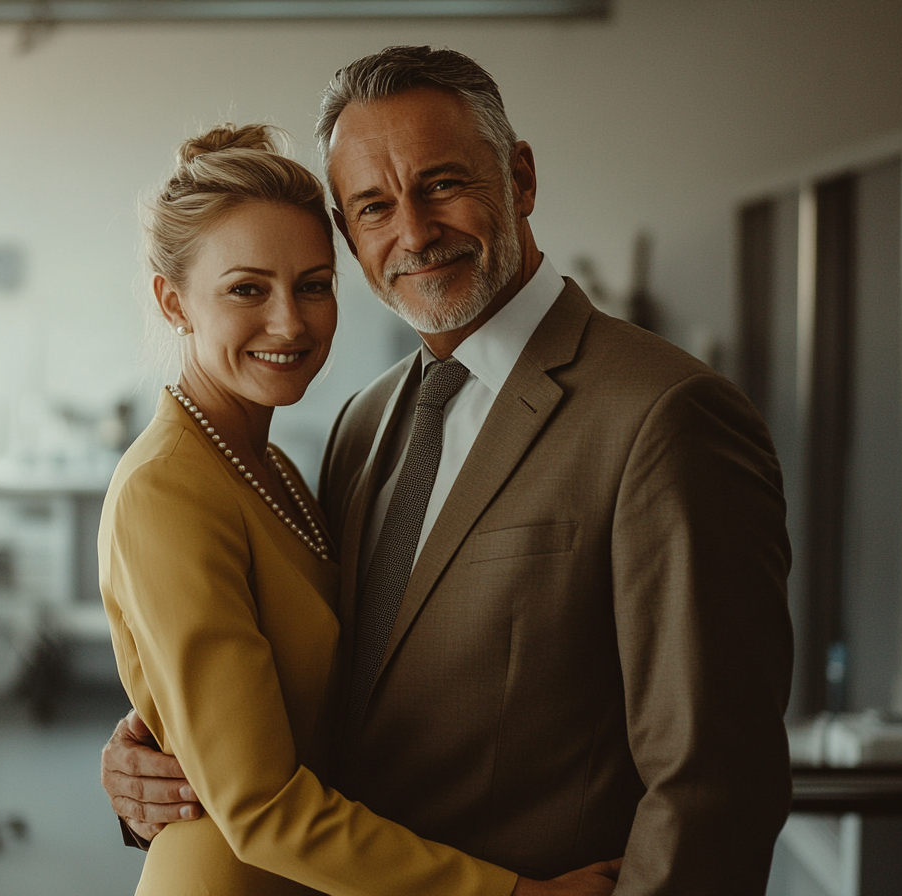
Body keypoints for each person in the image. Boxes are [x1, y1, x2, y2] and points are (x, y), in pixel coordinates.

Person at [103, 46, 794, 895]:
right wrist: (161, 755)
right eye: (372, 205)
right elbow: (324, 703)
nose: (415, 233)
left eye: (441, 185)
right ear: (351, 234)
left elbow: (714, 778)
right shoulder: (364, 423)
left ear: (521, 178)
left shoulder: (664, 413)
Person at [100, 122, 621, 895]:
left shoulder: (270, 463)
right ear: (172, 301)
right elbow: (262, 802)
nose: (290, 322)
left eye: (313, 285)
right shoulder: (166, 488)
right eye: (248, 289)